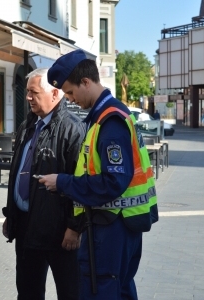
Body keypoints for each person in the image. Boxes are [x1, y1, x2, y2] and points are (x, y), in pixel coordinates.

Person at [39, 49, 158, 299]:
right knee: (121, 290)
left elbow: (113, 181)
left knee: (103, 291)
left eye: (70, 92)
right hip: (122, 224)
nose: (69, 100)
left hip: (112, 227)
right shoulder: (108, 115)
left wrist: (63, 182)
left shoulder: (109, 121)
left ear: (86, 82)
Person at [2, 68, 86, 300]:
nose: (28, 97)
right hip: (27, 227)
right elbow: (18, 173)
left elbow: (80, 182)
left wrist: (74, 227)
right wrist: (11, 214)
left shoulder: (73, 129)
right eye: (27, 92)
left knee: (69, 293)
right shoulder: (27, 125)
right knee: (28, 293)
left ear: (55, 94)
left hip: (59, 232)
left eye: (33, 92)